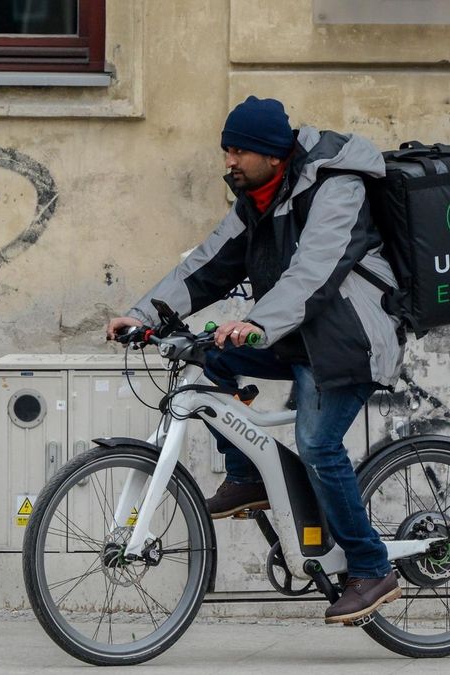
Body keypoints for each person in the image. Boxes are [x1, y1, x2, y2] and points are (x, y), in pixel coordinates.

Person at [106, 95, 403, 624]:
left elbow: (315, 268)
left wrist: (259, 323)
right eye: (226, 149)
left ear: (273, 153)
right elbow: (205, 266)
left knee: (317, 443)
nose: (229, 161)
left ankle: (370, 566)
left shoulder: (337, 185)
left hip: (349, 337)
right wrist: (143, 315)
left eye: (240, 150)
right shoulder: (258, 199)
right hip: (298, 334)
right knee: (208, 360)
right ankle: (249, 476)